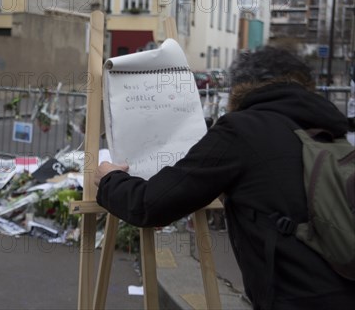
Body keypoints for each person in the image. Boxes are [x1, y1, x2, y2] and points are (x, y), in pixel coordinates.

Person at [94, 46, 355, 309]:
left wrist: (111, 180)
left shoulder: (241, 130)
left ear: (241, 87)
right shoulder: (328, 129)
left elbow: (151, 204)